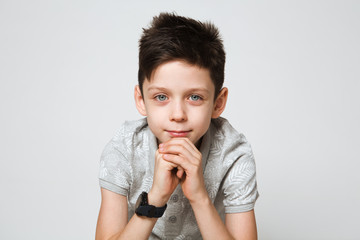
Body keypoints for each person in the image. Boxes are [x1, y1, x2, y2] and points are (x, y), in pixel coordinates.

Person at [96, 12, 259, 240]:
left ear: (218, 103)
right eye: (161, 97)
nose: (178, 115)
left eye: (194, 97)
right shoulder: (124, 148)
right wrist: (155, 198)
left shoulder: (234, 155)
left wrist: (199, 197)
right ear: (141, 100)